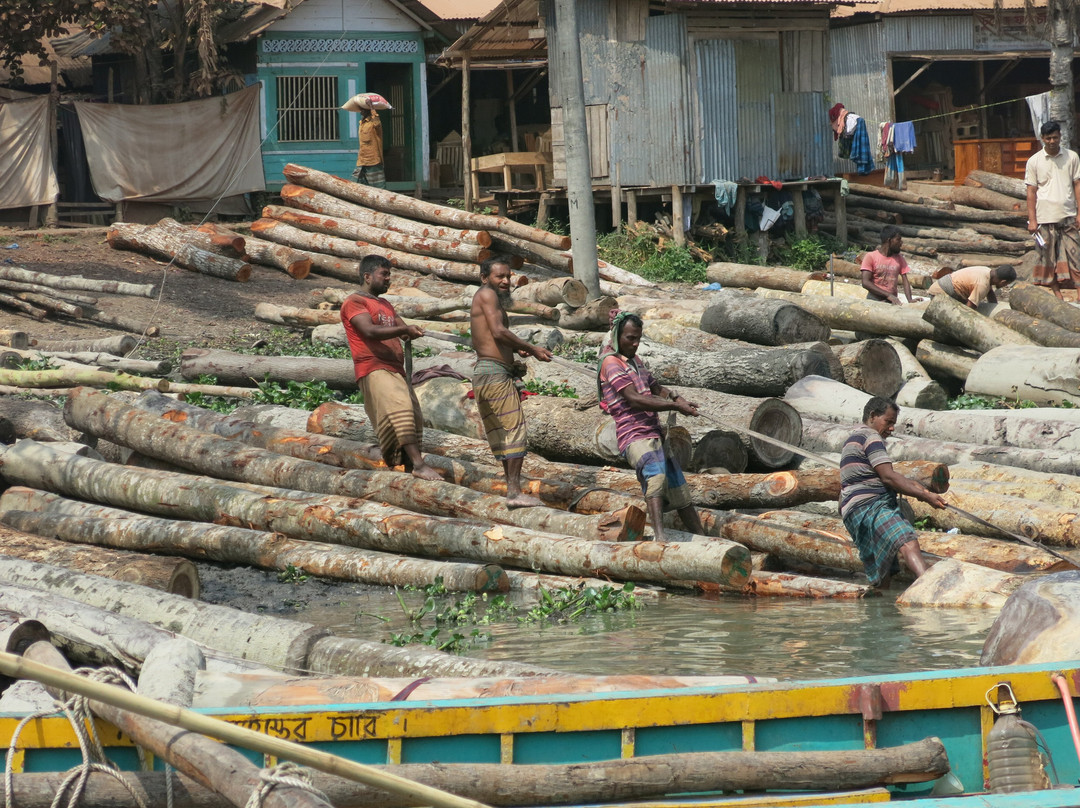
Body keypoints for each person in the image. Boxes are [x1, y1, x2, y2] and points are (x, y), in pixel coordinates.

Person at [597, 312, 705, 542]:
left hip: (653, 431)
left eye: (638, 338)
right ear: (617, 337)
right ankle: (660, 537)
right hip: (633, 434)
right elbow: (634, 399)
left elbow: (655, 387)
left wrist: (678, 398)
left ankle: (702, 536)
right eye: (630, 338)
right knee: (655, 476)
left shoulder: (635, 361)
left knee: (678, 485)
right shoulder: (611, 363)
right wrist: (673, 407)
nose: (635, 344)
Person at [340, 254, 441, 481]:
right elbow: (369, 331)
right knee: (400, 408)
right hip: (373, 367)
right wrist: (403, 330)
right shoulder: (354, 302)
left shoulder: (385, 304)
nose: (388, 279)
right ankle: (419, 465)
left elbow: (402, 329)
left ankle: (409, 469)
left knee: (413, 415)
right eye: (384, 274)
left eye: (389, 275)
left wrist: (410, 331)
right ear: (367, 276)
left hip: (395, 370)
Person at [469, 255, 553, 508]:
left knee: (505, 433)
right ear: (485, 278)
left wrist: (517, 350)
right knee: (515, 430)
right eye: (500, 276)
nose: (506, 281)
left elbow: (491, 336)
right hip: (494, 374)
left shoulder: (486, 296)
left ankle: (512, 490)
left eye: (508, 276)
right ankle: (515, 493)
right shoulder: (487, 294)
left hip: (489, 373)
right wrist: (532, 348)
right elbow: (498, 331)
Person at [839, 397, 947, 588]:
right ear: (873, 416)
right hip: (871, 506)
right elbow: (888, 477)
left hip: (853, 512)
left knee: (883, 571)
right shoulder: (871, 437)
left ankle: (882, 606)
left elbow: (889, 477)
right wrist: (925, 496)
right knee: (907, 540)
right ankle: (928, 588)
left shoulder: (852, 439)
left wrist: (923, 491)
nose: (891, 428)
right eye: (888, 422)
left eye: (893, 423)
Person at [1025, 120, 1080, 300]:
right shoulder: (1034, 161)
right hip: (1044, 218)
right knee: (1048, 259)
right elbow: (1031, 192)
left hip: (1068, 216)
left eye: (1055, 137)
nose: (1052, 141)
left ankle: (1079, 293)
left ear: (1060, 136)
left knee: (1076, 256)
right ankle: (1057, 294)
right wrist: (1032, 220)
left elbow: (1077, 185)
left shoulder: (1072, 157)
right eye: (1048, 138)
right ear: (1042, 138)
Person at [860, 225, 913, 305]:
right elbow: (865, 282)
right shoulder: (871, 256)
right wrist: (888, 295)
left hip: (891, 301)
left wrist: (910, 300)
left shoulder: (899, 258)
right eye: (898, 240)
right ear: (889, 240)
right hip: (874, 299)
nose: (901, 243)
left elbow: (905, 280)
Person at [927, 264, 1016, 309]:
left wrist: (994, 306)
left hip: (942, 286)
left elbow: (990, 292)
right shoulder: (982, 285)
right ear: (1003, 281)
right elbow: (970, 307)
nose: (1005, 286)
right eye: (1006, 284)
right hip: (940, 293)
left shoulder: (987, 271)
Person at [352, 107, 385, 188]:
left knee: (378, 186)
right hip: (362, 159)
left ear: (368, 111)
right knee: (357, 184)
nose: (361, 112)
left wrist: (372, 108)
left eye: (363, 110)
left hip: (373, 160)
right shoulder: (362, 123)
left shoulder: (373, 123)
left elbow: (377, 122)